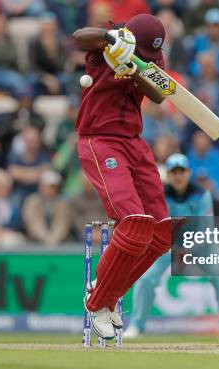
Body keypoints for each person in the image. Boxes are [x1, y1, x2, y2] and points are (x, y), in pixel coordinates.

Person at [72, 14, 177, 339]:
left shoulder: (150, 57)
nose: (149, 58)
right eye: (144, 53)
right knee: (133, 222)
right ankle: (98, 301)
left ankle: (108, 293)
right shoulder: (106, 45)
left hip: (133, 141)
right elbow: (80, 36)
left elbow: (160, 94)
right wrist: (109, 40)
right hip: (100, 138)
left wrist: (136, 67)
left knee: (161, 233)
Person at [123, 153, 219, 339]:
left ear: (188, 173)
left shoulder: (202, 195)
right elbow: (156, 225)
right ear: (168, 175)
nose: (178, 176)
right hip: (166, 245)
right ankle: (137, 325)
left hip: (202, 244)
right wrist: (174, 249)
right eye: (173, 172)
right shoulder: (159, 195)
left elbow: (205, 228)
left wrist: (187, 249)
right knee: (146, 279)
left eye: (181, 171)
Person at [21, 170, 71, 246]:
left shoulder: (63, 203)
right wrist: (46, 238)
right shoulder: (32, 201)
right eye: (48, 186)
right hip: (34, 242)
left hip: (59, 243)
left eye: (53, 186)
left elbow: (62, 224)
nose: (51, 189)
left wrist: (53, 239)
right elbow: (32, 224)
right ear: (41, 186)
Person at [188, 8, 219, 79]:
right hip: (201, 79)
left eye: (218, 26)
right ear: (207, 26)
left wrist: (217, 70)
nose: (215, 30)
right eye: (212, 26)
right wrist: (202, 70)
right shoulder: (199, 41)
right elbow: (192, 65)